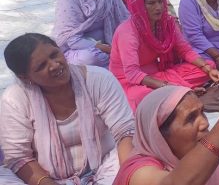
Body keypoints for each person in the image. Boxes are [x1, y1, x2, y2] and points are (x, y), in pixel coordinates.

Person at [1, 33, 136, 185]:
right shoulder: (15, 99)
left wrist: (127, 175)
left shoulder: (99, 79)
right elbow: (18, 157)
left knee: (141, 156)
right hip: (44, 179)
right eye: (41, 66)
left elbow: (125, 131)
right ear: (25, 77)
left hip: (106, 168)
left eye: (54, 55)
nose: (55, 65)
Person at [113, 69, 219, 185]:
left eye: (202, 112)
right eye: (190, 118)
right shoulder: (139, 172)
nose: (205, 123)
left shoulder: (203, 161)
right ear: (159, 135)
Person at [109, 0, 219, 111]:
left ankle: (176, 94)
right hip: (130, 82)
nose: (158, 7)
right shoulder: (128, 31)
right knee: (142, 96)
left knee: (209, 65)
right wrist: (170, 86)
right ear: (139, 5)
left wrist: (208, 69)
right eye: (151, 3)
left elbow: (185, 50)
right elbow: (132, 74)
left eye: (160, 2)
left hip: (158, 74)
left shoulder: (166, 23)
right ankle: (177, 93)